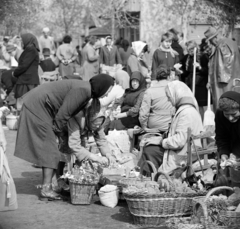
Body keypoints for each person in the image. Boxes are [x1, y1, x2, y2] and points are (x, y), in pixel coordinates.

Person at [14, 74, 114, 201]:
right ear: (101, 87)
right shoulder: (84, 91)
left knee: (52, 148)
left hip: (42, 105)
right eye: (107, 91)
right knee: (50, 149)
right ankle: (46, 189)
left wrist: (108, 154)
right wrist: (58, 132)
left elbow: (98, 135)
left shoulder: (87, 93)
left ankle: (51, 185)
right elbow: (64, 114)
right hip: (38, 106)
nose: (106, 95)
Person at [140, 81, 203, 175]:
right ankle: (149, 177)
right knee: (149, 146)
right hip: (181, 149)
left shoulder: (186, 113)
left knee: (149, 150)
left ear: (176, 95)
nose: (169, 101)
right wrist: (159, 138)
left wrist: (161, 142)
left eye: (169, 97)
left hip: (183, 154)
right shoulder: (183, 110)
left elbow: (179, 141)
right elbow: (175, 134)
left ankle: (150, 179)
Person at [204, 26, 240, 111]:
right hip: (233, 82)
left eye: (210, 40)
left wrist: (212, 81)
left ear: (215, 37)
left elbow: (223, 71)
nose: (210, 43)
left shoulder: (222, 45)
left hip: (224, 86)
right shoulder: (231, 42)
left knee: (225, 108)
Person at [215, 91, 240, 187]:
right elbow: (221, 136)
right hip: (235, 156)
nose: (230, 118)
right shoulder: (220, 115)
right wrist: (224, 153)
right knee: (236, 188)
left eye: (234, 114)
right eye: (227, 114)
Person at [139, 65, 174, 132]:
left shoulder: (150, 91)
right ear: (168, 76)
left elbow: (143, 114)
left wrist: (144, 126)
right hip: (171, 123)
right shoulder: (174, 88)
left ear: (156, 77)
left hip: (154, 125)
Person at [181, 40, 209, 118]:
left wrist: (199, 67)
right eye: (188, 50)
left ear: (195, 48)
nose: (189, 52)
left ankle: (201, 122)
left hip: (199, 84)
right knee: (191, 104)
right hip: (190, 83)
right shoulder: (187, 57)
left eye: (191, 50)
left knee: (199, 105)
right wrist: (180, 71)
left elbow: (207, 71)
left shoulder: (203, 57)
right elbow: (186, 72)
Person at [12, 33, 40, 111]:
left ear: (27, 39)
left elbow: (24, 65)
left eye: (22, 39)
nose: (21, 41)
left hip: (27, 81)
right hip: (26, 80)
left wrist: (14, 73)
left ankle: (23, 121)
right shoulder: (29, 49)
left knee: (23, 104)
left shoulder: (31, 49)